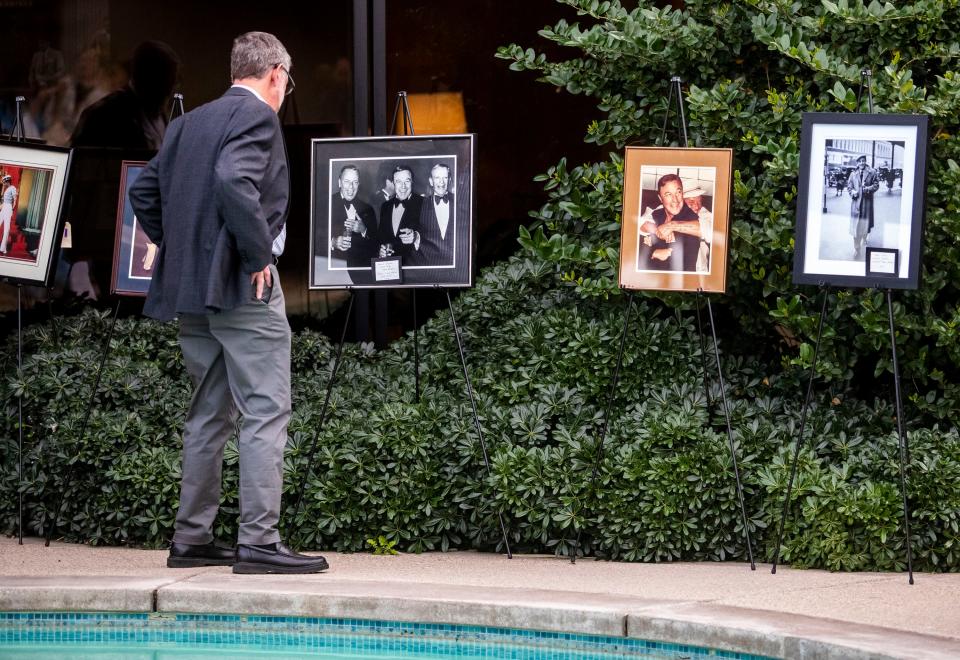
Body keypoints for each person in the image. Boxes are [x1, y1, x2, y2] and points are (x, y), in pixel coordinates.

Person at [129, 31, 327, 575]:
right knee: (266, 409)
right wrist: (256, 252)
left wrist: (183, 249)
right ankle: (259, 541)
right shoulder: (259, 117)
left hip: (191, 293)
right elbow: (232, 179)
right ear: (274, 74)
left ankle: (191, 539)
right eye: (287, 80)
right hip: (245, 289)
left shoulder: (188, 122)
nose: (286, 89)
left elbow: (142, 193)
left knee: (207, 415)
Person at [71, 40, 180, 150]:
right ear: (146, 78)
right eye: (166, 83)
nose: (170, 91)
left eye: (173, 83)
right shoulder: (103, 116)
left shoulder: (158, 114)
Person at [638, 174, 700, 272]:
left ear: (682, 193)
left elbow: (705, 229)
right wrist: (653, 252)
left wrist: (671, 226)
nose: (675, 200)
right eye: (668, 194)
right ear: (660, 198)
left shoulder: (691, 217)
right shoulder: (657, 214)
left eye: (678, 192)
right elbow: (639, 228)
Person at [330, 164, 378, 272]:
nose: (351, 187)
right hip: (333, 269)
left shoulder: (368, 209)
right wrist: (333, 242)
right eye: (347, 181)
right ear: (339, 183)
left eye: (355, 182)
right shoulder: (326, 203)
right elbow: (315, 238)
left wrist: (364, 230)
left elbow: (375, 245)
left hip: (361, 272)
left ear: (359, 184)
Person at [411, 163, 455, 267]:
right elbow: (415, 231)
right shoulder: (420, 204)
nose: (441, 182)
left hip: (455, 267)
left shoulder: (460, 202)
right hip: (429, 266)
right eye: (437, 178)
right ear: (431, 181)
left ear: (449, 180)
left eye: (445, 177)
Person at [377, 164, 423, 260]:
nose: (403, 186)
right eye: (398, 182)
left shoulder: (424, 203)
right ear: (393, 183)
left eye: (407, 181)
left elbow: (433, 236)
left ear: (412, 182)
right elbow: (381, 238)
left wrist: (416, 237)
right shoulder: (385, 206)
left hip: (414, 266)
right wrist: (381, 250)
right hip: (390, 267)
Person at [846, 155, 880, 259]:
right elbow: (849, 186)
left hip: (866, 204)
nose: (862, 163)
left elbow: (876, 185)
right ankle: (857, 249)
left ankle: (865, 237)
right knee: (856, 228)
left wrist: (868, 189)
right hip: (856, 205)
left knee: (865, 226)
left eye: (863, 161)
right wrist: (852, 192)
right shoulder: (853, 174)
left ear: (865, 162)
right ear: (857, 162)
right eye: (860, 161)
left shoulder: (872, 172)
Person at [682, 187, 713, 273]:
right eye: (691, 202)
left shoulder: (705, 214)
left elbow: (709, 233)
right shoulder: (672, 208)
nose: (696, 206)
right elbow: (644, 221)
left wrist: (671, 225)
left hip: (697, 271)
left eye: (699, 202)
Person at [1, 174, 18, 255]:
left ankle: (3, 248)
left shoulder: (13, 188)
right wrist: (3, 188)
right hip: (3, 207)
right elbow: (2, 197)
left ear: (7, 181)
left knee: (6, 228)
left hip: (8, 208)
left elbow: (15, 200)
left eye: (4, 182)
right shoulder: (6, 188)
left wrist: (11, 209)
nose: (3, 183)